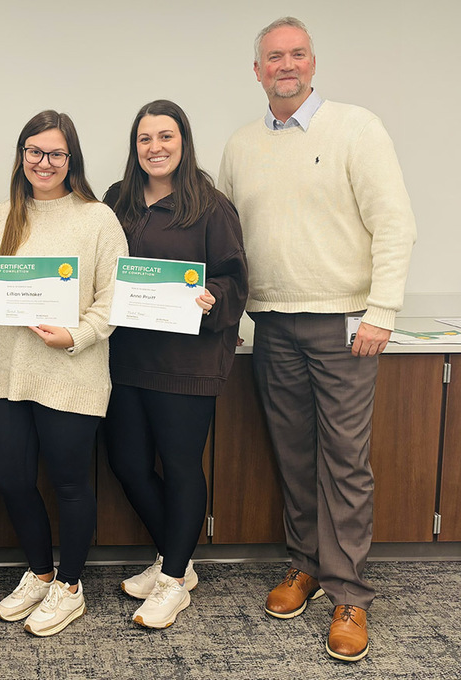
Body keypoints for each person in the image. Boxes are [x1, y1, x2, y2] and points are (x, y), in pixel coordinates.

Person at [218, 17, 416, 662]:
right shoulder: (241, 145)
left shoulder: (358, 128)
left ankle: (350, 592)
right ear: (256, 71)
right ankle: (304, 565)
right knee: (294, 457)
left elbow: (394, 225)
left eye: (296, 54)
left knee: (344, 462)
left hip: (345, 325)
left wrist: (382, 309)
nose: (285, 65)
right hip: (272, 322)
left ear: (312, 63)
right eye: (273, 57)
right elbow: (226, 239)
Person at [0, 110, 128, 637]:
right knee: (12, 479)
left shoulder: (97, 218)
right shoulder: (2, 215)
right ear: (22, 156)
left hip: (73, 371)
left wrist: (77, 335)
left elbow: (116, 296)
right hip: (9, 372)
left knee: (69, 484)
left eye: (56, 153)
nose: (44, 162)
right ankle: (40, 572)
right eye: (34, 152)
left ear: (72, 159)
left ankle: (69, 586)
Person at [102, 100, 248, 629]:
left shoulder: (211, 206)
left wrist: (212, 295)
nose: (155, 147)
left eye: (166, 136)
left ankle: (173, 579)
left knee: (182, 467)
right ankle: (175, 562)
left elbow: (236, 280)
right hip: (124, 360)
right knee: (128, 464)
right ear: (134, 146)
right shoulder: (116, 201)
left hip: (187, 363)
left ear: (183, 142)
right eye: (145, 138)